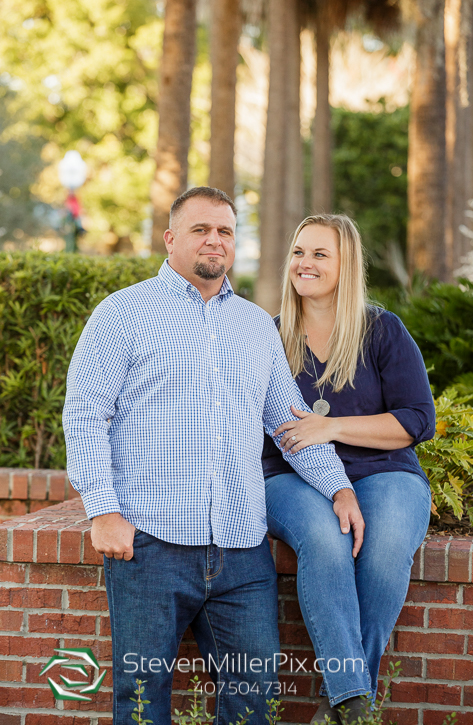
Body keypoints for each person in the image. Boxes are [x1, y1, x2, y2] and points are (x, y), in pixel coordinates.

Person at [62, 188, 363, 725]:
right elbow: (85, 416)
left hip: (241, 551)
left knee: (256, 699)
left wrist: (338, 487)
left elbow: (288, 421)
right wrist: (102, 511)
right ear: (171, 238)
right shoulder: (121, 314)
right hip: (150, 545)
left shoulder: (255, 326)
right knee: (141, 695)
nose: (215, 241)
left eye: (225, 231)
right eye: (201, 229)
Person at [262, 214, 435, 724]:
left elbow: (416, 420)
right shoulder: (268, 337)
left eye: (320, 254)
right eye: (298, 252)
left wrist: (332, 428)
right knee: (324, 538)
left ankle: (344, 700)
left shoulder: (382, 330)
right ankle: (354, 700)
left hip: (385, 470)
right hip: (290, 474)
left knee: (382, 550)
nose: (304, 263)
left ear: (347, 264)